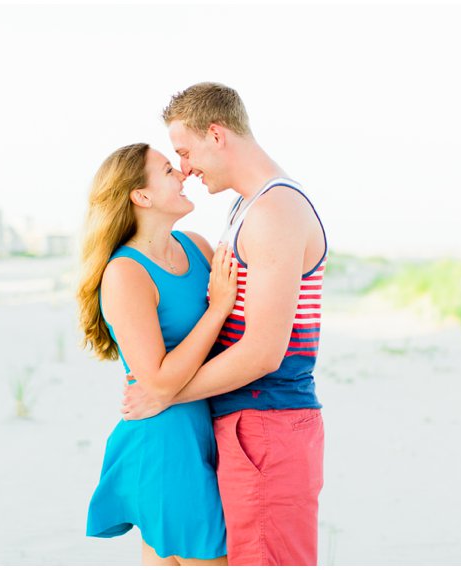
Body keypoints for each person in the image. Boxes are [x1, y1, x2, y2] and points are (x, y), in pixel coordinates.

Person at [121, 83, 327, 566]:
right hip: (249, 427)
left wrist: (166, 392)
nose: (185, 169)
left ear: (217, 134)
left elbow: (263, 353)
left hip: (267, 423)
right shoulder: (248, 207)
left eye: (186, 152)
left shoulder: (275, 209)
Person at [77, 142, 237, 566]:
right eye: (168, 170)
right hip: (165, 442)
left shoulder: (198, 247)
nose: (183, 173)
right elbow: (160, 381)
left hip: (210, 427)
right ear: (141, 196)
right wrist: (218, 307)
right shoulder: (124, 272)